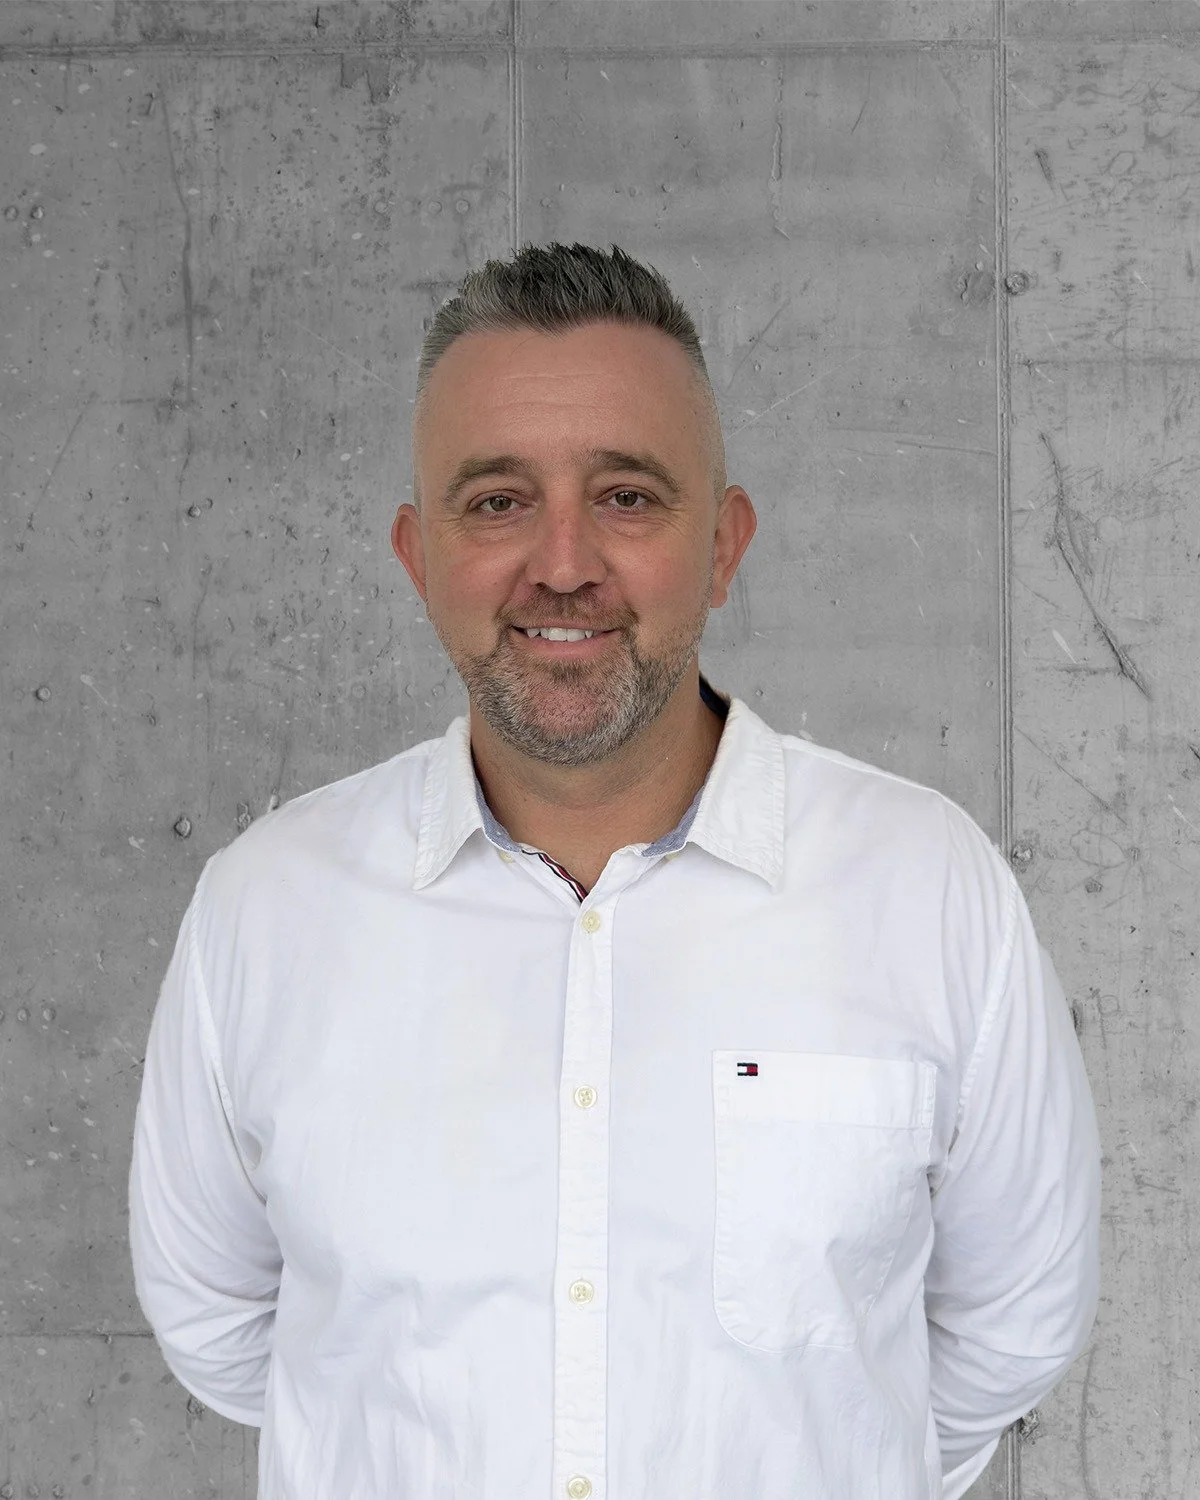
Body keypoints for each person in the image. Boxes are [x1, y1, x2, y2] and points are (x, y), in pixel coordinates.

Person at [128, 241, 1101, 1500]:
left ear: (725, 542)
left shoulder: (927, 888)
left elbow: (1008, 1327)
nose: (566, 561)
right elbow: (221, 1327)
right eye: (497, 501)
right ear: (418, 555)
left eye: (629, 495)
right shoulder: (266, 910)